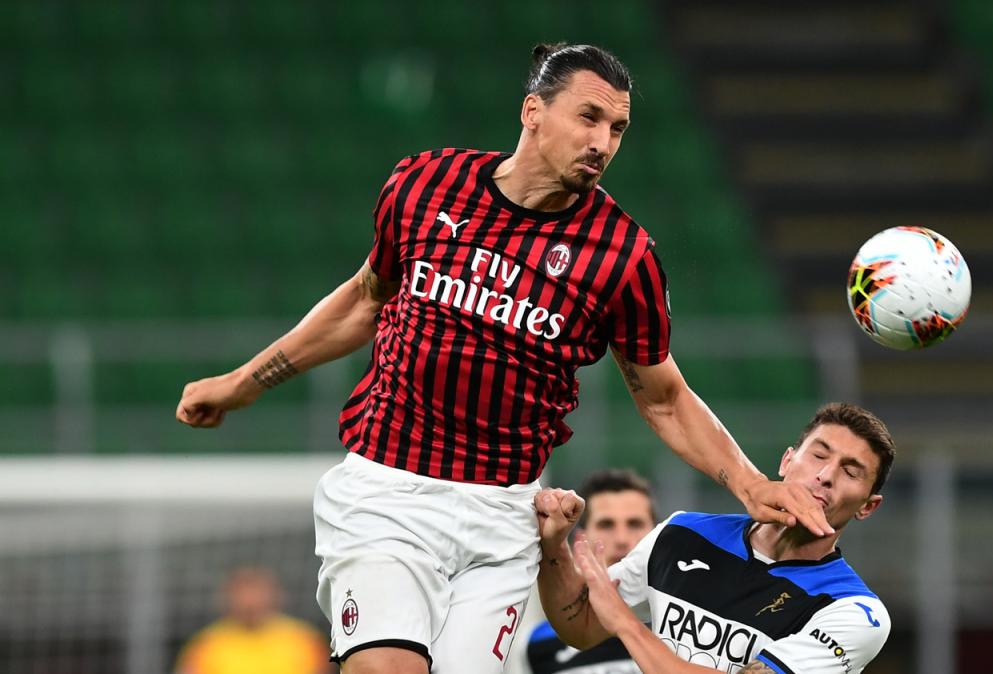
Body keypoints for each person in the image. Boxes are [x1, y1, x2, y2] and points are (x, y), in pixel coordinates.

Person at [175, 42, 832, 674]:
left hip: (503, 516)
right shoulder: (425, 184)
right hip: (388, 490)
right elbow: (366, 298)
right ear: (533, 111)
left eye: (618, 129)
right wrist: (243, 383)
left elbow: (663, 398)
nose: (603, 142)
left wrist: (752, 485)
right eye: (589, 117)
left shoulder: (622, 255)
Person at [534, 403, 894, 674]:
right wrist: (554, 547)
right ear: (787, 461)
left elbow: (617, 620)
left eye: (851, 472)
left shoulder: (853, 611)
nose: (826, 475)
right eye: (818, 455)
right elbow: (580, 627)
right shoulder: (683, 533)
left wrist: (627, 626)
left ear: (868, 507)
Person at [514, 469, 656, 674]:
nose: (622, 539)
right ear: (581, 539)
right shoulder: (537, 644)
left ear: (657, 537)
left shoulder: (685, 630)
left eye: (635, 524)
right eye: (606, 525)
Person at [175, 567, 330, 674]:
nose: (249, 601)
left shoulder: (306, 640)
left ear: (274, 595)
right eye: (242, 593)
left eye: (256, 592)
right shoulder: (205, 645)